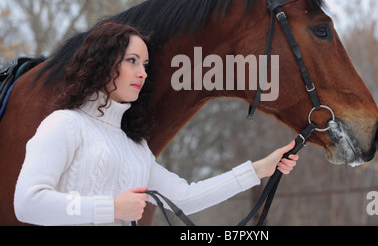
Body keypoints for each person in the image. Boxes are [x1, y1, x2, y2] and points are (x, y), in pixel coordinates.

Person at [14, 22, 299, 226]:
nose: (142, 73)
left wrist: (260, 169)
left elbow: (186, 198)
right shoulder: (64, 124)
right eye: (132, 61)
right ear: (102, 64)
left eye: (146, 65)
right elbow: (28, 203)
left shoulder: (135, 148)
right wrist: (111, 208)